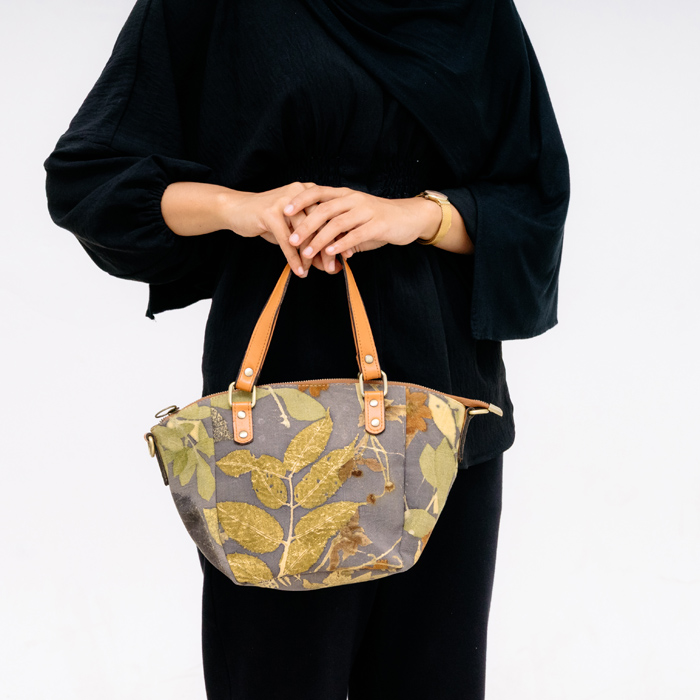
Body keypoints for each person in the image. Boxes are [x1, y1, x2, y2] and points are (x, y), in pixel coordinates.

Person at [43, 0, 570, 697]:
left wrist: (414, 215)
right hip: (272, 434)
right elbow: (89, 178)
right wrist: (242, 207)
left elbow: (533, 196)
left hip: (442, 420)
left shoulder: (472, 9)